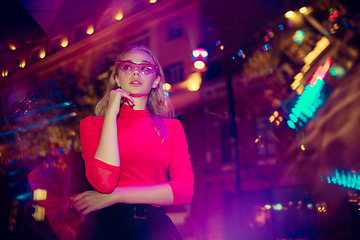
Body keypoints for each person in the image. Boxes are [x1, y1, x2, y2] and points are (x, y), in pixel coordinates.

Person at [72, 45, 194, 240]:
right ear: (117, 78)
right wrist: (111, 113)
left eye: (145, 68)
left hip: (156, 229)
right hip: (107, 227)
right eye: (128, 67)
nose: (136, 71)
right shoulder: (93, 124)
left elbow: (184, 190)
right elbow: (104, 183)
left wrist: (118, 195)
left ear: (156, 81)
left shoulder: (172, 128)